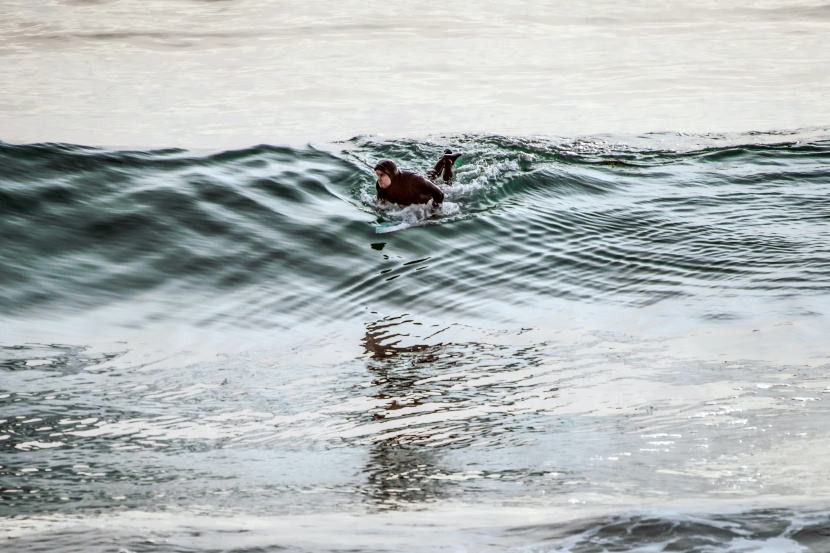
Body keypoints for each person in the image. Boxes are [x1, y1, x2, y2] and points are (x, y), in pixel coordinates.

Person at [375, 158, 444, 208]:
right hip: (413, 197)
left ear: (391, 175)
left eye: (382, 175)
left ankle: (446, 161)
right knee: (431, 177)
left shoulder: (413, 181)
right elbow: (381, 203)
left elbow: (439, 194)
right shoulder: (381, 185)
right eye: (377, 175)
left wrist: (434, 212)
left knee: (443, 182)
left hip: (422, 192)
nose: (378, 179)